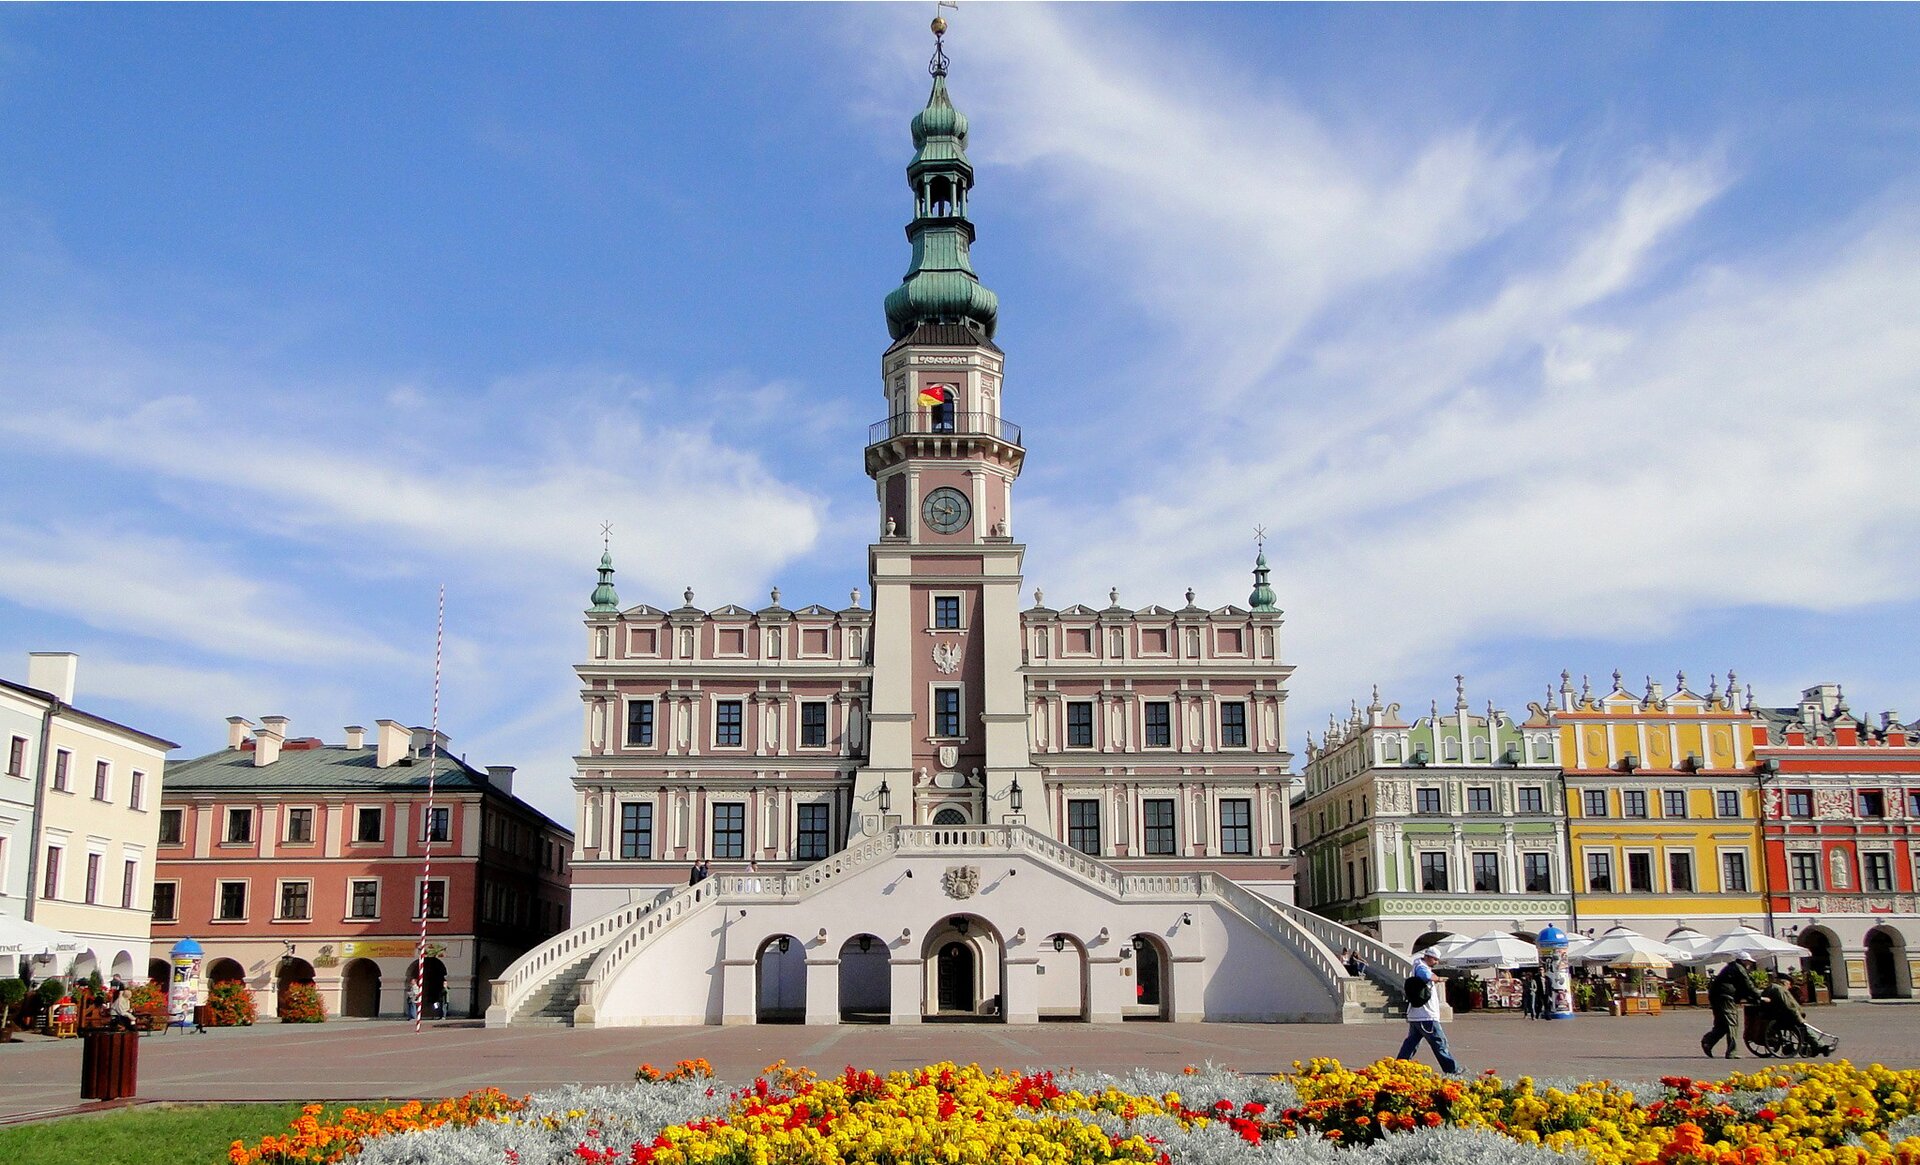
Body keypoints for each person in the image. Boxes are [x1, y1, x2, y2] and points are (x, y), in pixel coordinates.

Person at [1397, 951, 1461, 1074]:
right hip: (1426, 1015)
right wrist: (1438, 978)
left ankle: (1399, 1066)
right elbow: (1426, 976)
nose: (1436, 962)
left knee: (1411, 1043)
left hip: (1417, 1015)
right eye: (1434, 959)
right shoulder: (1421, 967)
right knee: (1439, 1042)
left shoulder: (1418, 965)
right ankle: (1453, 1070)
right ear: (1427, 957)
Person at [1702, 955, 1763, 1058]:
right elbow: (1747, 985)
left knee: (1722, 1024)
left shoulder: (1733, 967)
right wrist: (1759, 996)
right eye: (1749, 962)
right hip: (1725, 997)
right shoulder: (1739, 968)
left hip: (1718, 997)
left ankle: (1708, 1041)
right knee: (1732, 1023)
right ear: (1743, 961)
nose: (1750, 964)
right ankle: (1732, 1052)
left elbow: (1742, 987)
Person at [1759, 971, 1810, 1050]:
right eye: (1789, 984)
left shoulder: (1769, 988)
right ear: (1784, 982)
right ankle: (1819, 1046)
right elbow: (1789, 1006)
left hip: (1771, 1016)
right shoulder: (1780, 990)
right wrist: (1800, 1018)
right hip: (1783, 1018)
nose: (1790, 987)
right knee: (1805, 1027)